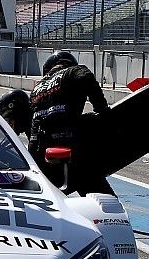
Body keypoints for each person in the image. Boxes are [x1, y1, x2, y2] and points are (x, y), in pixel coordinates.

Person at [29, 50, 114, 196]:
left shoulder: (35, 89)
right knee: (102, 197)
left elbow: (33, 127)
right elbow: (85, 76)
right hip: (73, 148)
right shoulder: (72, 71)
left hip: (43, 155)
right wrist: (102, 109)